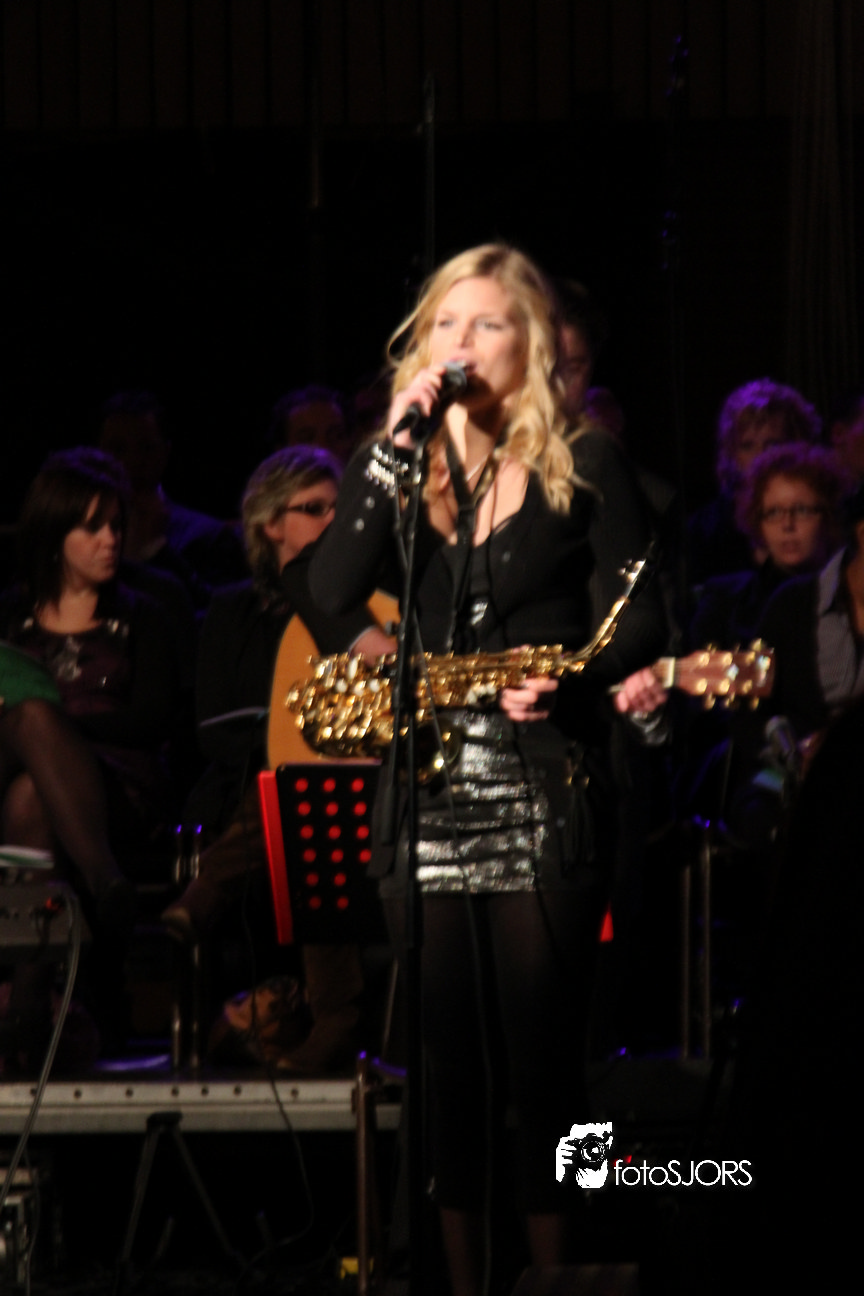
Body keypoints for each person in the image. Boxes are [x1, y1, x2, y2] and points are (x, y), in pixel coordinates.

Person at [308, 244, 666, 1292]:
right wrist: (391, 447)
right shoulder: (401, 466)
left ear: (532, 346)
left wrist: (571, 673)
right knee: (446, 1065)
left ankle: (560, 1274)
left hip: (545, 784)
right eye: (446, 324)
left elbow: (642, 613)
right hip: (426, 791)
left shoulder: (585, 460)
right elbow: (330, 590)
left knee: (545, 1058)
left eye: (488, 324)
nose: (461, 343)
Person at [163, 445, 394, 1071]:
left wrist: (311, 741)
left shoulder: (371, 606)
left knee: (309, 804)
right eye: (314, 509)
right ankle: (338, 1020)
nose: (334, 520)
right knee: (294, 799)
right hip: (249, 783)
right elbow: (214, 728)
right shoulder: (234, 611)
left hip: (358, 781)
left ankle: (206, 893)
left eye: (340, 508)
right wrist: (294, 739)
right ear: (270, 524)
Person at [0, 448, 181, 1051]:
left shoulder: (144, 615)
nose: (111, 539)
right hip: (12, 770)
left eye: (116, 525)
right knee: (29, 732)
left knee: (34, 782)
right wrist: (45, 729)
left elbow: (154, 719)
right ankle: (105, 884)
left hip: (117, 787)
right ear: (54, 534)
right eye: (92, 526)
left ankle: (28, 997)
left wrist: (63, 734)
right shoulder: (10, 617)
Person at [691, 441, 850, 650]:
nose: (787, 524)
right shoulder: (724, 601)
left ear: (829, 516)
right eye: (773, 512)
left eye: (801, 510)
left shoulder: (850, 597)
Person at [100, 390, 248, 609]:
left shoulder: (208, 535)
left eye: (146, 448)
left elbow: (218, 613)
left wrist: (156, 549)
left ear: (165, 452)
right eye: (117, 449)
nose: (132, 461)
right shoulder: (79, 530)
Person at [687, 377, 821, 586]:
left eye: (772, 444)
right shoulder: (707, 528)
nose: (760, 457)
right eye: (747, 446)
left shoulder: (820, 511)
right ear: (731, 453)